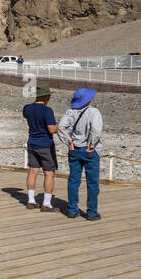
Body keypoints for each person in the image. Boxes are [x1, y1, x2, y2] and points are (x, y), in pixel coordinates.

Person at [59, 87, 104, 221]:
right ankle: (91, 212)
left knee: (73, 180)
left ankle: (72, 210)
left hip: (75, 149)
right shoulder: (93, 112)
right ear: (88, 99)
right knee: (92, 182)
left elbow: (61, 127)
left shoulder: (70, 112)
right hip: (89, 150)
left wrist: (68, 141)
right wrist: (91, 144)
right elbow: (96, 129)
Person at [22, 84, 59, 211]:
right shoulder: (47, 111)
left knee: (33, 170)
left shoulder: (27, 108)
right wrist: (58, 128)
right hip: (45, 144)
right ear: (45, 96)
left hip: (32, 142)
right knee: (49, 173)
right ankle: (47, 204)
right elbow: (51, 128)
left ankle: (31, 201)